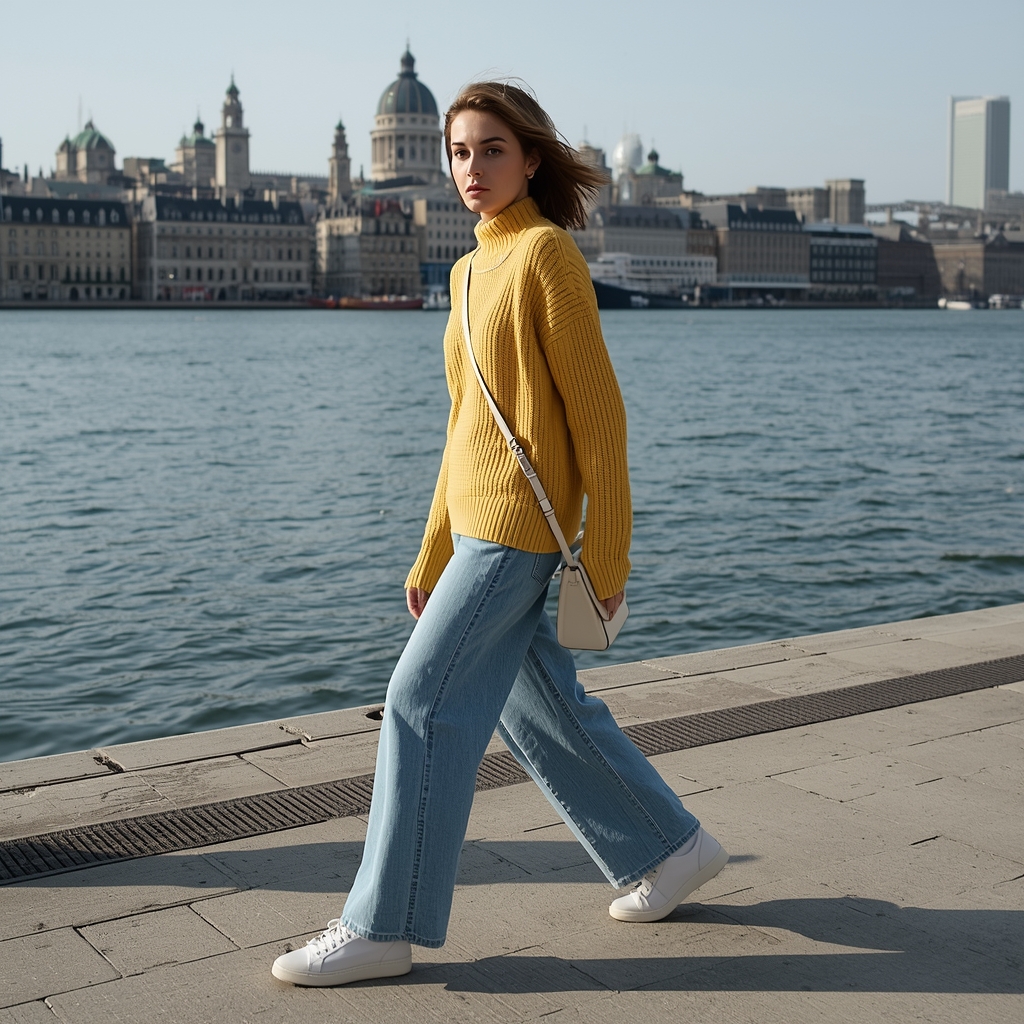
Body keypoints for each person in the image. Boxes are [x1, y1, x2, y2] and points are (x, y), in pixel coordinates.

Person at [271, 81, 728, 988]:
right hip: (474, 531)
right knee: (539, 710)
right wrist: (431, 547)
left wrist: (607, 557)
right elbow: (465, 426)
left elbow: (599, 419)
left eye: (489, 150)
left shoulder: (547, 256)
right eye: (457, 152)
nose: (470, 169)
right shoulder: (468, 267)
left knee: (419, 704)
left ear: (529, 158)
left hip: (519, 534)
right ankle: (670, 849)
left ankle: (384, 925)